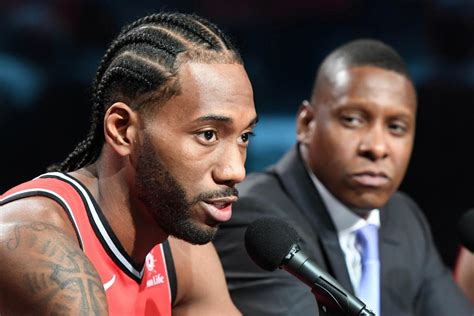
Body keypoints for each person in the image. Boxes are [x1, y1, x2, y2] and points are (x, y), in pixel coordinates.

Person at [0, 12, 257, 315]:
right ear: (122, 130)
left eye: (243, 137)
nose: (235, 171)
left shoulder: (178, 248)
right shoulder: (33, 243)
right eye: (208, 135)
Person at [214, 39, 473, 315]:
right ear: (306, 124)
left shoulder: (403, 215)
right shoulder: (258, 223)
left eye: (396, 127)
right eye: (353, 120)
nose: (377, 147)